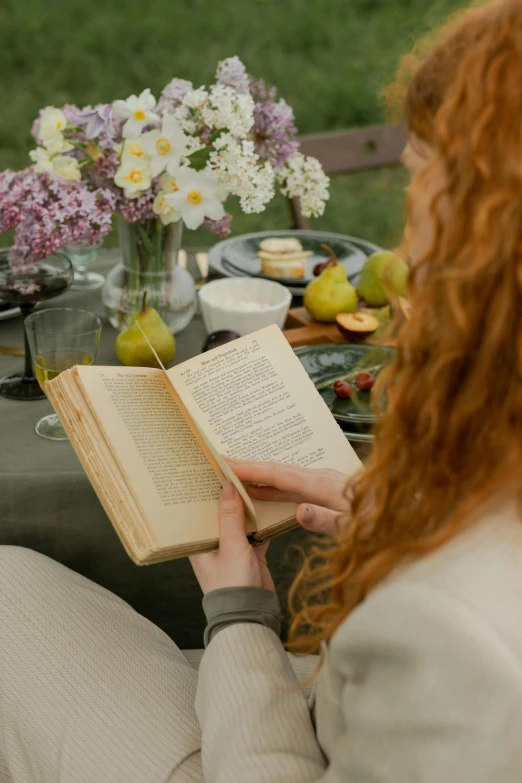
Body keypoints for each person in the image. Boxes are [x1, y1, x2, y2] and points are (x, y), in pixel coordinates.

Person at [2, 0, 522, 780]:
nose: (408, 244)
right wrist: (400, 515)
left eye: (423, 189)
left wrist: (240, 616)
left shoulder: (453, 636)